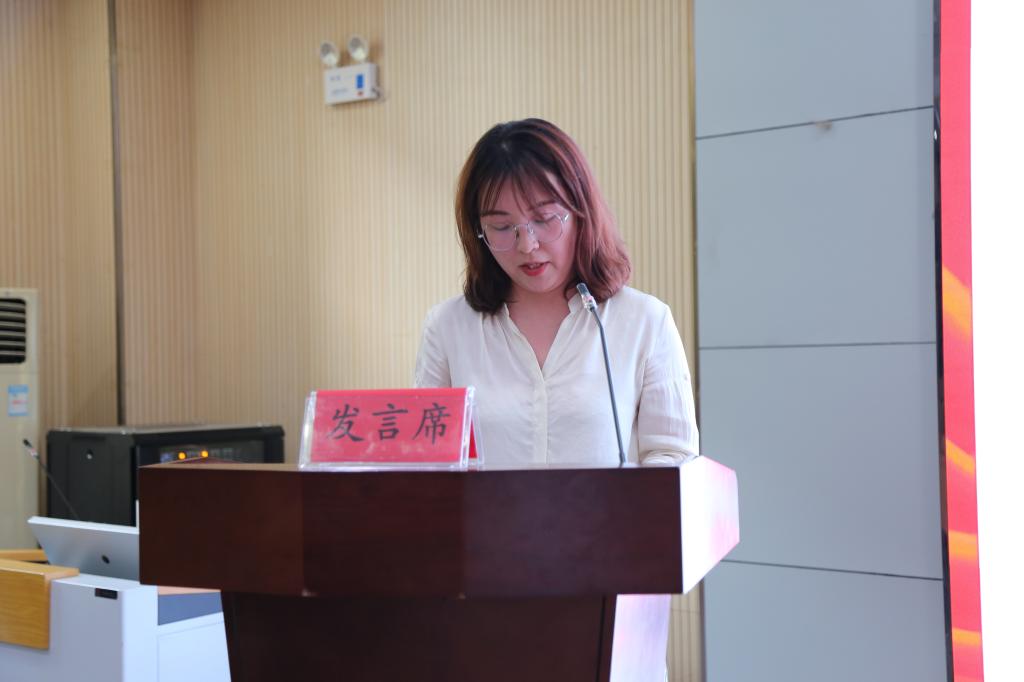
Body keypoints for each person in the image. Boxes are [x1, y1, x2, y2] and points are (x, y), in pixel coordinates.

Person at [414, 118, 698, 467]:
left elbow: (674, 459)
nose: (527, 245)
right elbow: (427, 465)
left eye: (545, 219)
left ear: (581, 213)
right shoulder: (448, 328)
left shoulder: (644, 322)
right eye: (501, 227)